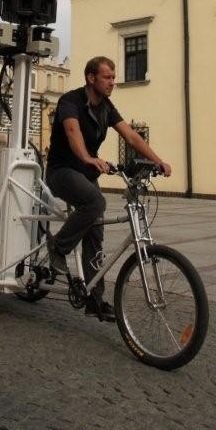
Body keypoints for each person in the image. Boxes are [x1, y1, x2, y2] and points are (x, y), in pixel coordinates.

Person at [45, 56, 171, 322]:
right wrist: (87, 157)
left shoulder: (106, 107)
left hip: (86, 174)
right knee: (95, 203)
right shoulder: (71, 101)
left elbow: (132, 136)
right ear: (91, 78)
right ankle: (58, 248)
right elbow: (71, 131)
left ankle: (94, 299)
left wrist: (158, 161)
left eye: (114, 77)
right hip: (62, 171)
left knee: (95, 233)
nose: (113, 81)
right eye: (108, 77)